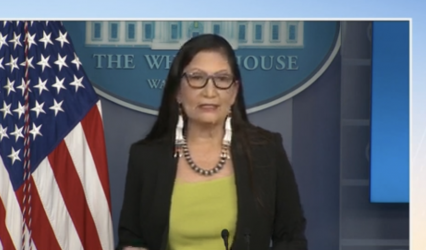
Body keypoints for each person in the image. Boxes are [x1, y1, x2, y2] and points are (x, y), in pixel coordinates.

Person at [116, 34, 308, 250]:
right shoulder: (146, 157)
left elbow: (291, 238)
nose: (210, 91)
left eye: (222, 79)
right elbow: (131, 237)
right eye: (197, 78)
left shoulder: (266, 150)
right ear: (178, 91)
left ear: (234, 92)